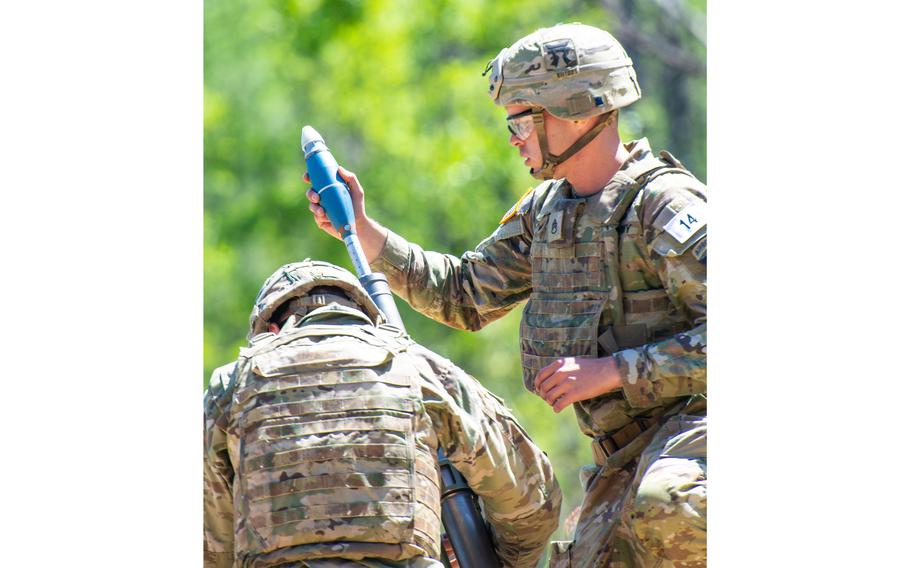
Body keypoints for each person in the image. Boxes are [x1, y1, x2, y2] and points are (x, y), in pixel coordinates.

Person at [305, 23, 707, 568]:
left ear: (576, 109)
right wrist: (365, 231)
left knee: (666, 508)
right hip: (624, 461)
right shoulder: (547, 214)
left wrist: (615, 371)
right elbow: (464, 294)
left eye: (522, 117)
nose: (513, 135)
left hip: (697, 437)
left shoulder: (663, 204)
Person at [203, 259, 561, 568]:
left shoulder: (232, 385)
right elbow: (532, 503)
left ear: (273, 330)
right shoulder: (423, 370)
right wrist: (489, 557)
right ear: (361, 313)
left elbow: (208, 541)